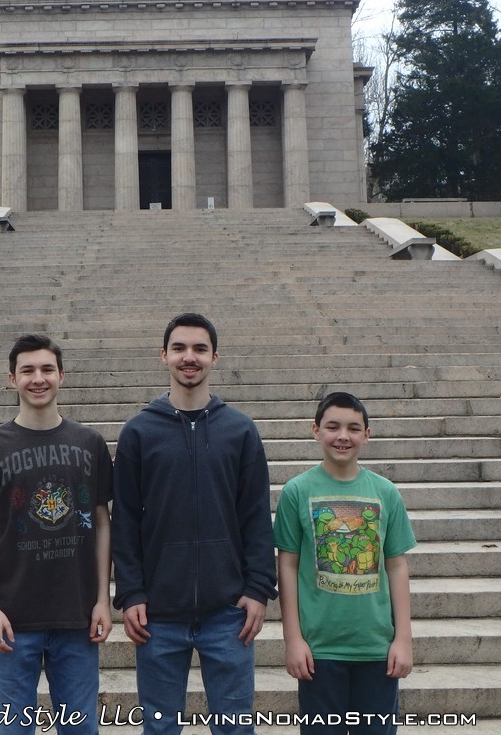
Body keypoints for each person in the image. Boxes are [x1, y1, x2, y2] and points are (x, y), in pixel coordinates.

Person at [112, 312, 277, 735]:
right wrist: (131, 592)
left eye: (200, 349)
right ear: (163, 355)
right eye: (180, 348)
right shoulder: (138, 432)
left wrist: (258, 589)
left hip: (228, 612)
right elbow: (125, 521)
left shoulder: (240, 431)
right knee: (160, 728)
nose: (190, 357)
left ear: (214, 357)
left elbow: (256, 517)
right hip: (158, 615)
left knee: (235, 729)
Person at [0, 334, 113, 735]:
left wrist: (103, 599)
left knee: (80, 729)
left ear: (62, 375)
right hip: (13, 620)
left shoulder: (90, 444)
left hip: (76, 618)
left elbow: (101, 522)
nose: (38, 378)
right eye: (27, 370)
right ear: (12, 379)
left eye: (47, 369)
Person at [273, 391, 416, 735]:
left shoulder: (385, 492)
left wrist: (403, 639)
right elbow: (287, 566)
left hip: (376, 649)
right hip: (320, 650)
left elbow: (396, 566)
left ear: (367, 434)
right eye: (333, 426)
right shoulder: (297, 491)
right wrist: (293, 639)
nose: (342, 436)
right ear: (315, 430)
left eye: (353, 428)